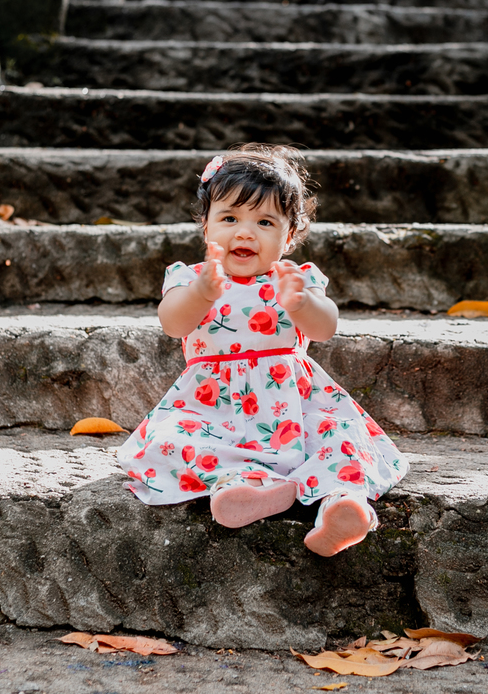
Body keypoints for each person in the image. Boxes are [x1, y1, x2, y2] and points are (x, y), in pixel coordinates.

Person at [116, 144, 409, 556]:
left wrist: (301, 304)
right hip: (213, 408)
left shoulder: (296, 279)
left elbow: (325, 328)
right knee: (174, 438)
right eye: (230, 218)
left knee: (336, 434)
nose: (245, 232)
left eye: (265, 222)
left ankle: (341, 505)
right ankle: (245, 488)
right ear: (206, 227)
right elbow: (173, 323)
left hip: (293, 407)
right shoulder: (190, 278)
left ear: (288, 236)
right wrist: (201, 294)